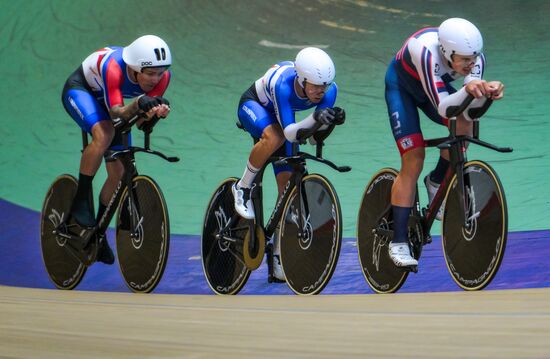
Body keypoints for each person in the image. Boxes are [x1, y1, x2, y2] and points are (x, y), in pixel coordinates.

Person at [384, 18, 504, 267]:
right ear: (447, 53)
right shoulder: (425, 51)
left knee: (465, 126)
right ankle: (398, 241)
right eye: (464, 60)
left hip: (433, 88)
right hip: (402, 89)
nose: (470, 64)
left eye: (473, 59)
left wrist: (487, 93)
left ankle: (437, 180)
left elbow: (468, 112)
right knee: (414, 159)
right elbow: (443, 107)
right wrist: (471, 88)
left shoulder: (473, 57)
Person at [233, 47, 346, 281]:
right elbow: (290, 133)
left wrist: (330, 123)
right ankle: (242, 187)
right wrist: (315, 118)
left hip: (287, 121)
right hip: (256, 107)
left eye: (324, 86)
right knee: (274, 137)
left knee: (287, 189)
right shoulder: (283, 84)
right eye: (314, 86)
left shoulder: (329, 90)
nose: (319, 91)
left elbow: (311, 137)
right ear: (301, 79)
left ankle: (277, 256)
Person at [61, 35, 172, 264]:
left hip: (115, 102)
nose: (156, 79)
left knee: (119, 172)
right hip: (82, 91)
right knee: (105, 134)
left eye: (160, 73)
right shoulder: (115, 67)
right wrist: (140, 103)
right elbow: (117, 113)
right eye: (150, 73)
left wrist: (153, 115)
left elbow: (140, 121)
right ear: (134, 68)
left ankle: (98, 236)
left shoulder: (162, 77)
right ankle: (81, 199)